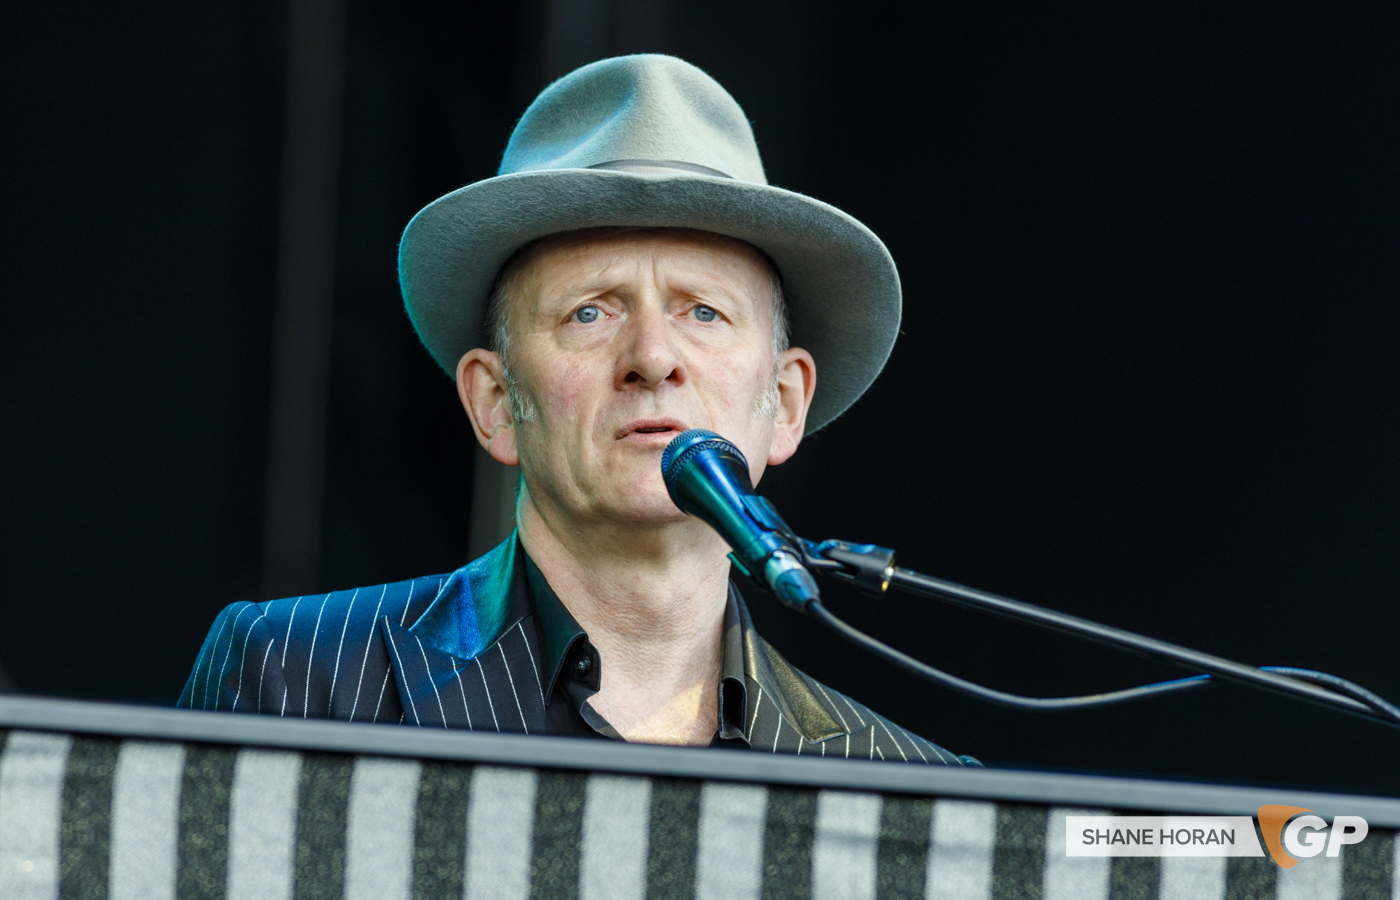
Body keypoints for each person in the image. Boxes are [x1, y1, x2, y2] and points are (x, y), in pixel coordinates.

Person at [181, 54, 969, 765]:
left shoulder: (905, 789)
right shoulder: (296, 672)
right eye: (590, 312)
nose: (653, 357)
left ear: (787, 402)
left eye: (703, 313)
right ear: (493, 402)